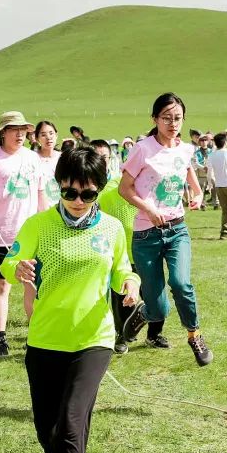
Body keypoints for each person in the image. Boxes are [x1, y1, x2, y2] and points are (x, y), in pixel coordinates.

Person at [0, 147, 139, 453]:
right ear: (58, 185)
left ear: (99, 191)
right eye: (70, 191)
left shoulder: (111, 228)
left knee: (72, 422)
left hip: (93, 341)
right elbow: (10, 262)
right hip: (45, 340)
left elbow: (122, 270)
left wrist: (130, 285)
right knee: (51, 431)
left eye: (88, 194)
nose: (78, 201)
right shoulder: (39, 225)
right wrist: (18, 267)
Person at [117, 92, 212, 367]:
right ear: (155, 119)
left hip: (177, 230)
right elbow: (125, 188)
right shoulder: (143, 149)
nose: (173, 123)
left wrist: (197, 193)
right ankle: (143, 313)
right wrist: (148, 209)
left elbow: (187, 171)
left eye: (178, 118)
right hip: (146, 235)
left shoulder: (185, 148)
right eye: (167, 118)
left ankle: (194, 335)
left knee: (182, 283)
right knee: (159, 308)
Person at [0, 111, 47, 357]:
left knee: (31, 284)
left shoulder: (33, 158)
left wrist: (48, 223)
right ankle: (0, 338)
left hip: (30, 233)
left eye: (24, 129)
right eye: (15, 129)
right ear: (3, 132)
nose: (20, 134)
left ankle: (35, 335)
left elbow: (41, 193)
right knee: (2, 285)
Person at [92, 139, 139, 353]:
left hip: (131, 247)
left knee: (135, 291)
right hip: (100, 248)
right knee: (113, 294)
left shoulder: (120, 182)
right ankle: (116, 333)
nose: (102, 160)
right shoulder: (86, 185)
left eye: (105, 156)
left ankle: (137, 332)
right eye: (98, 156)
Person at [36, 121, 62, 207]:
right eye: (43, 135)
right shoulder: (32, 158)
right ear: (37, 138)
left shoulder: (63, 158)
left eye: (51, 133)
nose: (48, 137)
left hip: (62, 207)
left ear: (56, 135)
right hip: (39, 209)